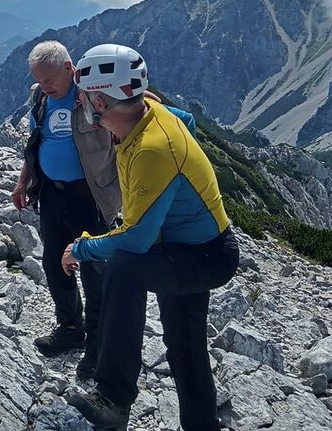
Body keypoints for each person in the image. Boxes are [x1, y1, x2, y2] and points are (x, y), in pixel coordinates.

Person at [64, 44, 239, 431]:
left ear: (100, 101)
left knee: (124, 266)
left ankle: (113, 397)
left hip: (199, 256)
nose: (81, 102)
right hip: (198, 249)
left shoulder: (152, 149)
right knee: (185, 346)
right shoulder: (151, 114)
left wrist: (81, 247)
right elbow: (187, 120)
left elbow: (135, 241)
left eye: (85, 95)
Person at [10, 40, 120, 380]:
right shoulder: (40, 98)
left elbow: (140, 108)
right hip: (52, 194)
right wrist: (23, 182)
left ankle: (99, 343)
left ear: (70, 69)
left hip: (89, 196)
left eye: (49, 79)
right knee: (55, 262)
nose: (44, 85)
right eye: (38, 79)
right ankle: (70, 327)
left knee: (93, 268)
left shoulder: (94, 95)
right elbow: (36, 142)